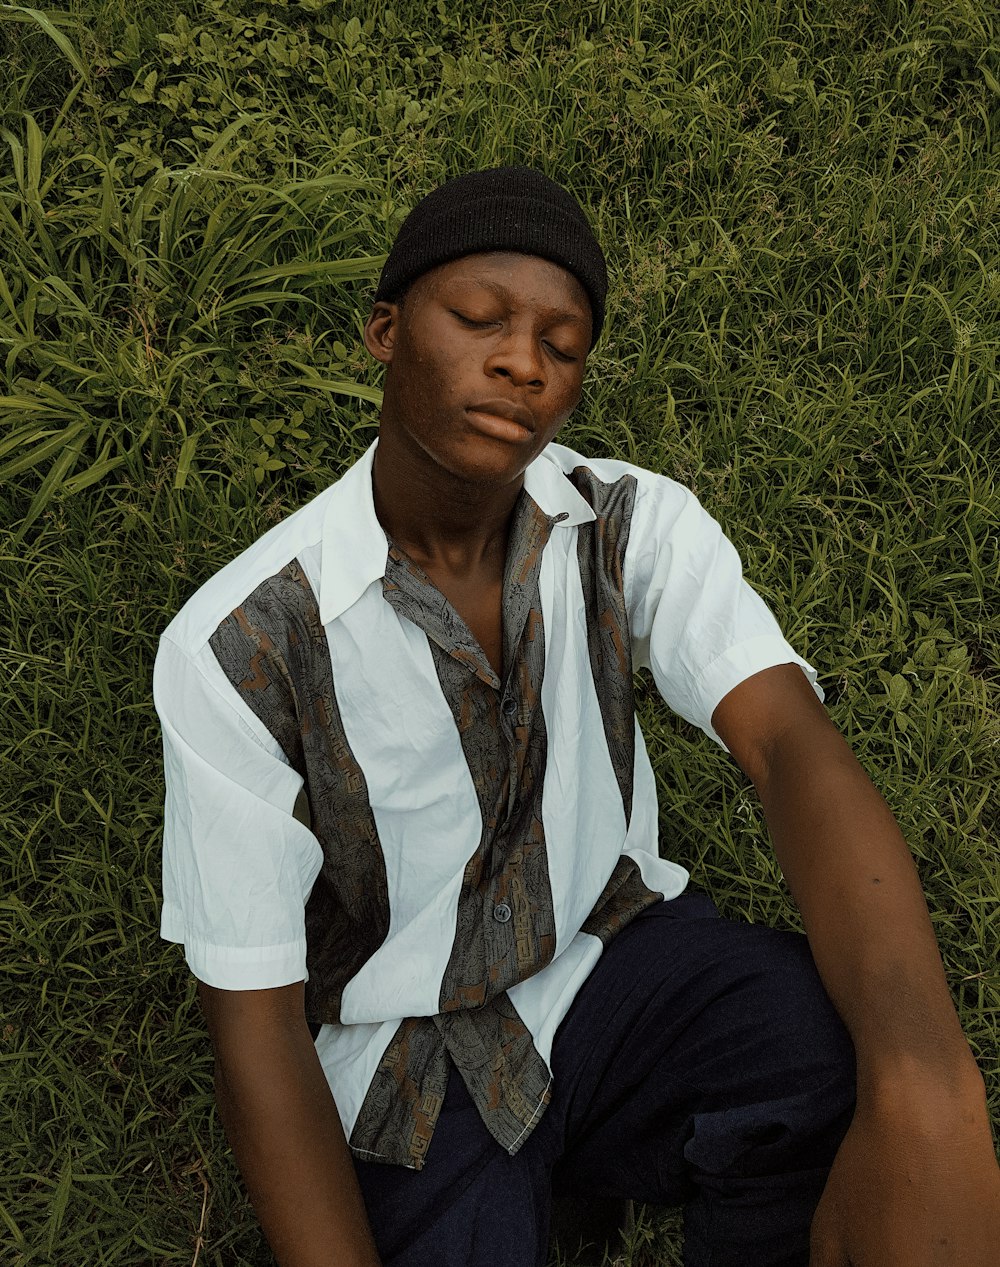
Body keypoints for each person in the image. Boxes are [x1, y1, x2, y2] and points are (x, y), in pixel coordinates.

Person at [153, 166, 1000, 1267]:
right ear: (384, 329)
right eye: (479, 319)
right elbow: (256, 1022)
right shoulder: (240, 642)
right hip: (410, 1068)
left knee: (832, 1046)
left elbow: (789, 744)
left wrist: (928, 1083)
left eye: (562, 343)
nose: (521, 361)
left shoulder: (624, 524)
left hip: (612, 963)